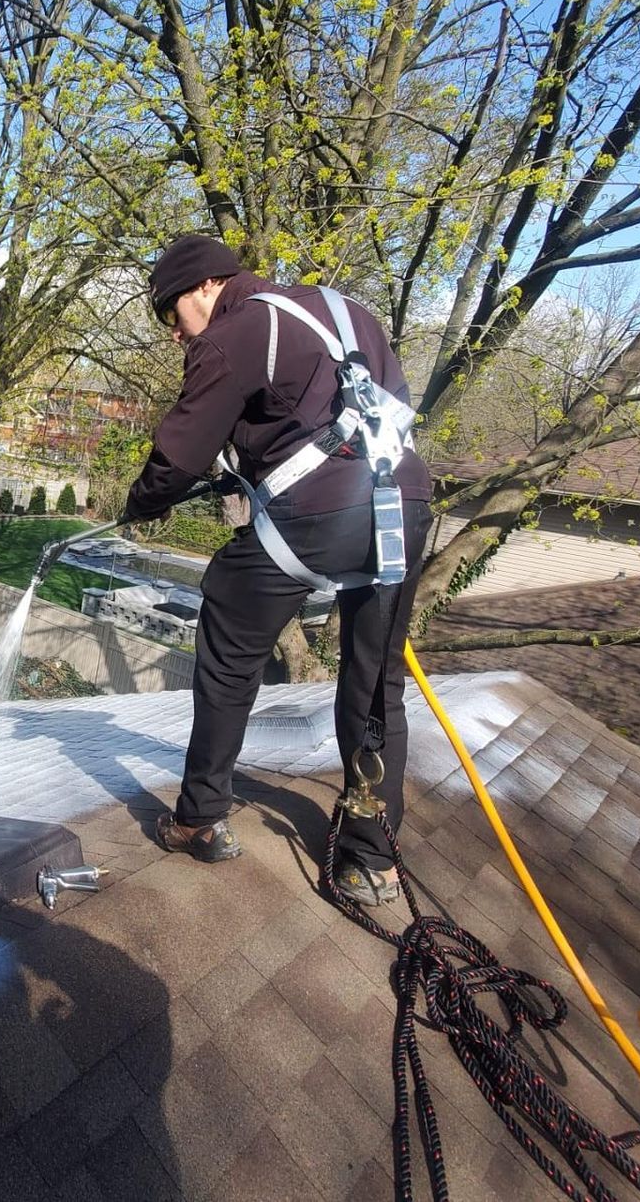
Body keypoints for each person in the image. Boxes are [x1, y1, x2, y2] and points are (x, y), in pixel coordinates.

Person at [123, 234, 433, 906]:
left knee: (229, 626)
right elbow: (378, 409)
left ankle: (200, 815)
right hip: (402, 507)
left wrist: (139, 504)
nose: (175, 334)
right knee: (376, 680)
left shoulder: (236, 330)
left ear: (205, 286)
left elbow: (179, 456)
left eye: (172, 315)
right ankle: (370, 860)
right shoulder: (347, 311)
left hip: (323, 516)